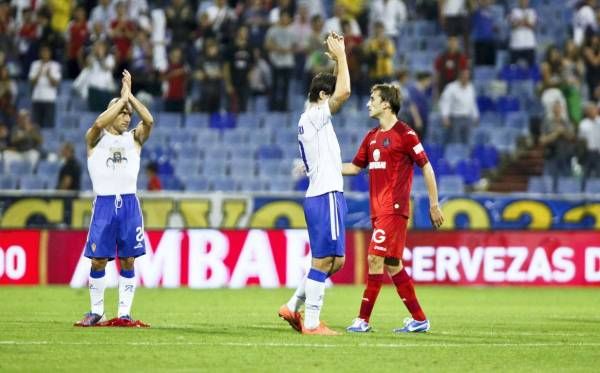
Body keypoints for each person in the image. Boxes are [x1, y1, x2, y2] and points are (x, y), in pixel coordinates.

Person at [342, 83, 444, 333]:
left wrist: (434, 204)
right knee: (392, 263)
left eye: (372, 98)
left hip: (394, 208)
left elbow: (427, 167)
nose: (368, 103)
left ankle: (362, 320)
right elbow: (354, 168)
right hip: (378, 211)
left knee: (374, 258)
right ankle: (419, 319)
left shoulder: (406, 134)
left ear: (386, 103)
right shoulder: (371, 137)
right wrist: (321, 167)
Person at [278, 32, 351, 335]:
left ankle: (293, 305)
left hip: (323, 193)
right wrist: (344, 56)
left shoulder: (311, 117)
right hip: (325, 194)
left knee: (337, 260)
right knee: (325, 260)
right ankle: (310, 322)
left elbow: (336, 90)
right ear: (323, 97)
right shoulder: (315, 117)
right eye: (328, 95)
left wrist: (335, 61)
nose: (334, 102)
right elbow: (343, 92)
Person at [75, 70, 154, 327]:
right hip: (105, 205)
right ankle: (96, 311)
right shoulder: (95, 139)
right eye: (121, 112)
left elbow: (149, 120)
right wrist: (120, 100)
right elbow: (98, 123)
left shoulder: (134, 139)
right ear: (111, 112)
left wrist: (129, 96)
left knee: (128, 259)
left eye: (128, 113)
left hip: (130, 205)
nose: (126, 116)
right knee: (98, 260)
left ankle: (124, 313)